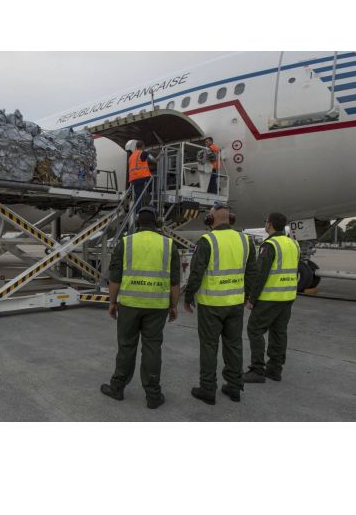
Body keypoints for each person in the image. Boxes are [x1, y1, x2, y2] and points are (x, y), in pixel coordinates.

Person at [100, 206, 180, 409]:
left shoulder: (125, 242)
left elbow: (115, 277)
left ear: (137, 222)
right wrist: (174, 305)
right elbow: (175, 281)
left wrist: (112, 302)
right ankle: (153, 395)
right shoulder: (169, 245)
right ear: (156, 223)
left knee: (126, 347)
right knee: (152, 348)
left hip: (129, 306)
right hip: (157, 306)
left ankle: (117, 388)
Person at [184, 202, 257, 404]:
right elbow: (252, 272)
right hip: (235, 303)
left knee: (209, 346)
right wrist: (247, 296)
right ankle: (234, 387)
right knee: (234, 345)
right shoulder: (246, 240)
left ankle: (208, 389)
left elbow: (196, 272)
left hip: (211, 304)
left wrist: (188, 297)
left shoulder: (207, 240)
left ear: (212, 219)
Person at [244, 212, 300, 383]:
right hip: (288, 296)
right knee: (279, 332)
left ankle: (257, 370)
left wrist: (252, 299)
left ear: (270, 224)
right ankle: (275, 369)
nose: (265, 224)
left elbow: (260, 274)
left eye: (266, 222)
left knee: (254, 329)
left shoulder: (270, 245)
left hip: (270, 298)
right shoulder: (293, 244)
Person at [127, 140, 160, 207]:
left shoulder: (131, 156)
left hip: (133, 179)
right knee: (153, 180)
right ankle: (151, 194)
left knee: (138, 196)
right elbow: (155, 160)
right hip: (142, 176)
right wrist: (160, 155)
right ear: (143, 146)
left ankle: (137, 212)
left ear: (136, 147)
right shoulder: (144, 153)